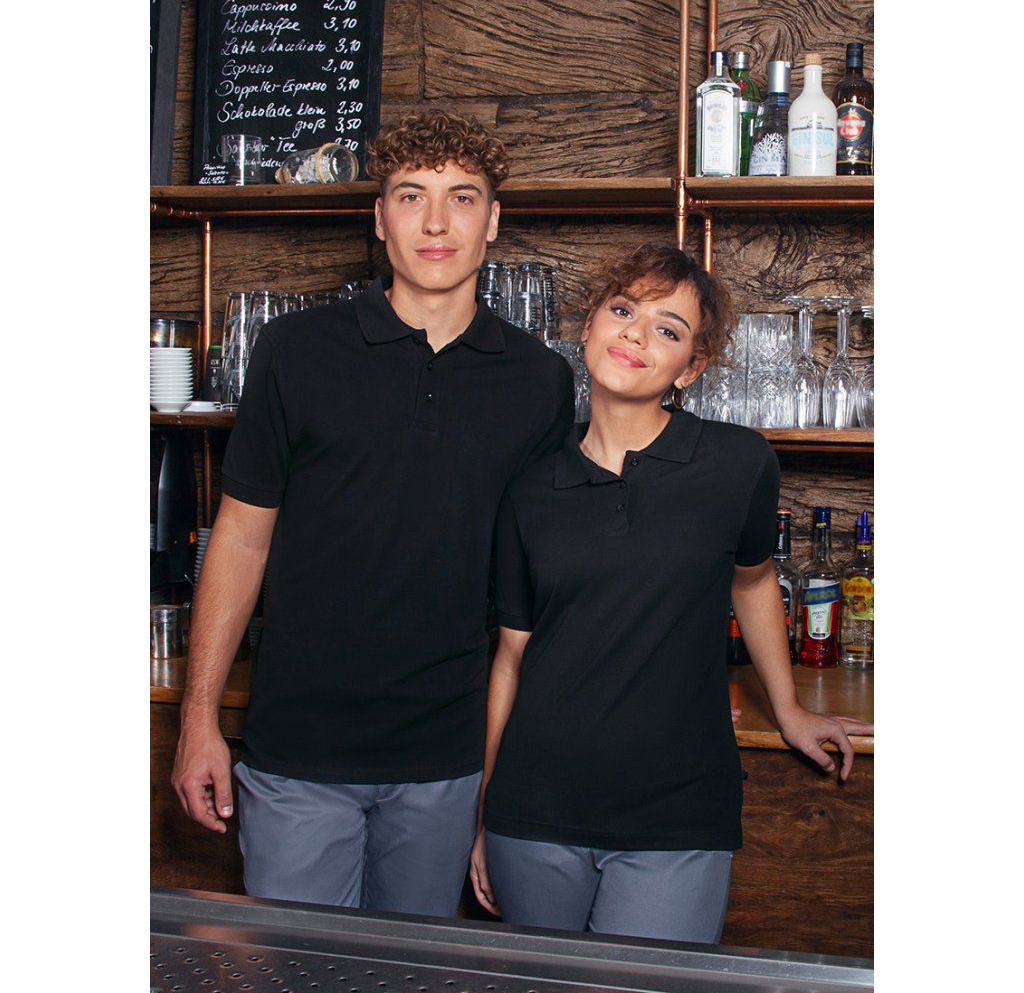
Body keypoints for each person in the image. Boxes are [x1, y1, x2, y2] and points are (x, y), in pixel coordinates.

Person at [171, 110, 575, 918]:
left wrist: (508, 777)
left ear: (493, 220)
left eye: (462, 198)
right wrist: (198, 718)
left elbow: (533, 589)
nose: (436, 223)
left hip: (448, 756)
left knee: (411, 972)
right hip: (299, 748)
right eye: (411, 196)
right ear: (380, 217)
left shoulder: (540, 380)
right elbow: (242, 539)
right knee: (294, 970)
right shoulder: (295, 350)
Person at [469, 240, 873, 943]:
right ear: (589, 325)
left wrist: (787, 708)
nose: (636, 334)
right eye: (623, 310)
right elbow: (510, 656)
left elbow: (754, 580)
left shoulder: (737, 463)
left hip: (678, 806)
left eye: (667, 328)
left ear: (691, 367)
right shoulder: (530, 483)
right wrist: (484, 813)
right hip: (534, 806)